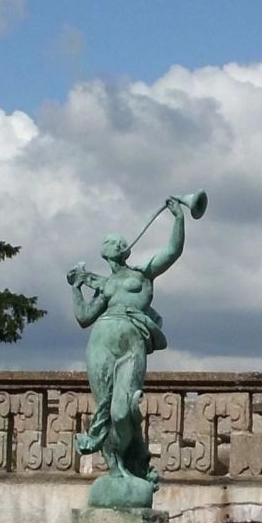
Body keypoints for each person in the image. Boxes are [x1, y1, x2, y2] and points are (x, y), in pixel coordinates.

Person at [68, 196, 189, 505]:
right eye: (110, 241)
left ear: (125, 249)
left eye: (118, 240)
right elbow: (83, 318)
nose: (115, 242)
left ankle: (132, 459)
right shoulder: (105, 284)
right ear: (107, 252)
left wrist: (178, 219)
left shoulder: (141, 274)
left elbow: (172, 252)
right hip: (100, 341)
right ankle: (115, 465)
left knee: (124, 408)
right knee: (106, 409)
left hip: (132, 339)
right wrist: (75, 288)